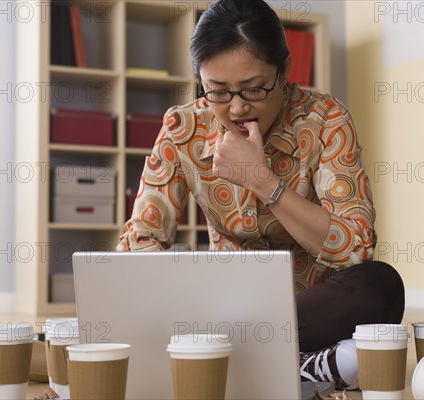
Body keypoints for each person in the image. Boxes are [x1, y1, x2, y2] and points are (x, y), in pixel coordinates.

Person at [117, 0, 405, 390]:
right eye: (217, 91)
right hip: (221, 309)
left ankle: (225, 360)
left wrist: (263, 182)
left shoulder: (325, 119)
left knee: (380, 286)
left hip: (312, 310)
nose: (237, 108)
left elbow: (355, 247)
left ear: (284, 71)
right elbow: (139, 243)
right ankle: (307, 367)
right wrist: (181, 298)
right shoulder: (183, 127)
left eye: (254, 89)